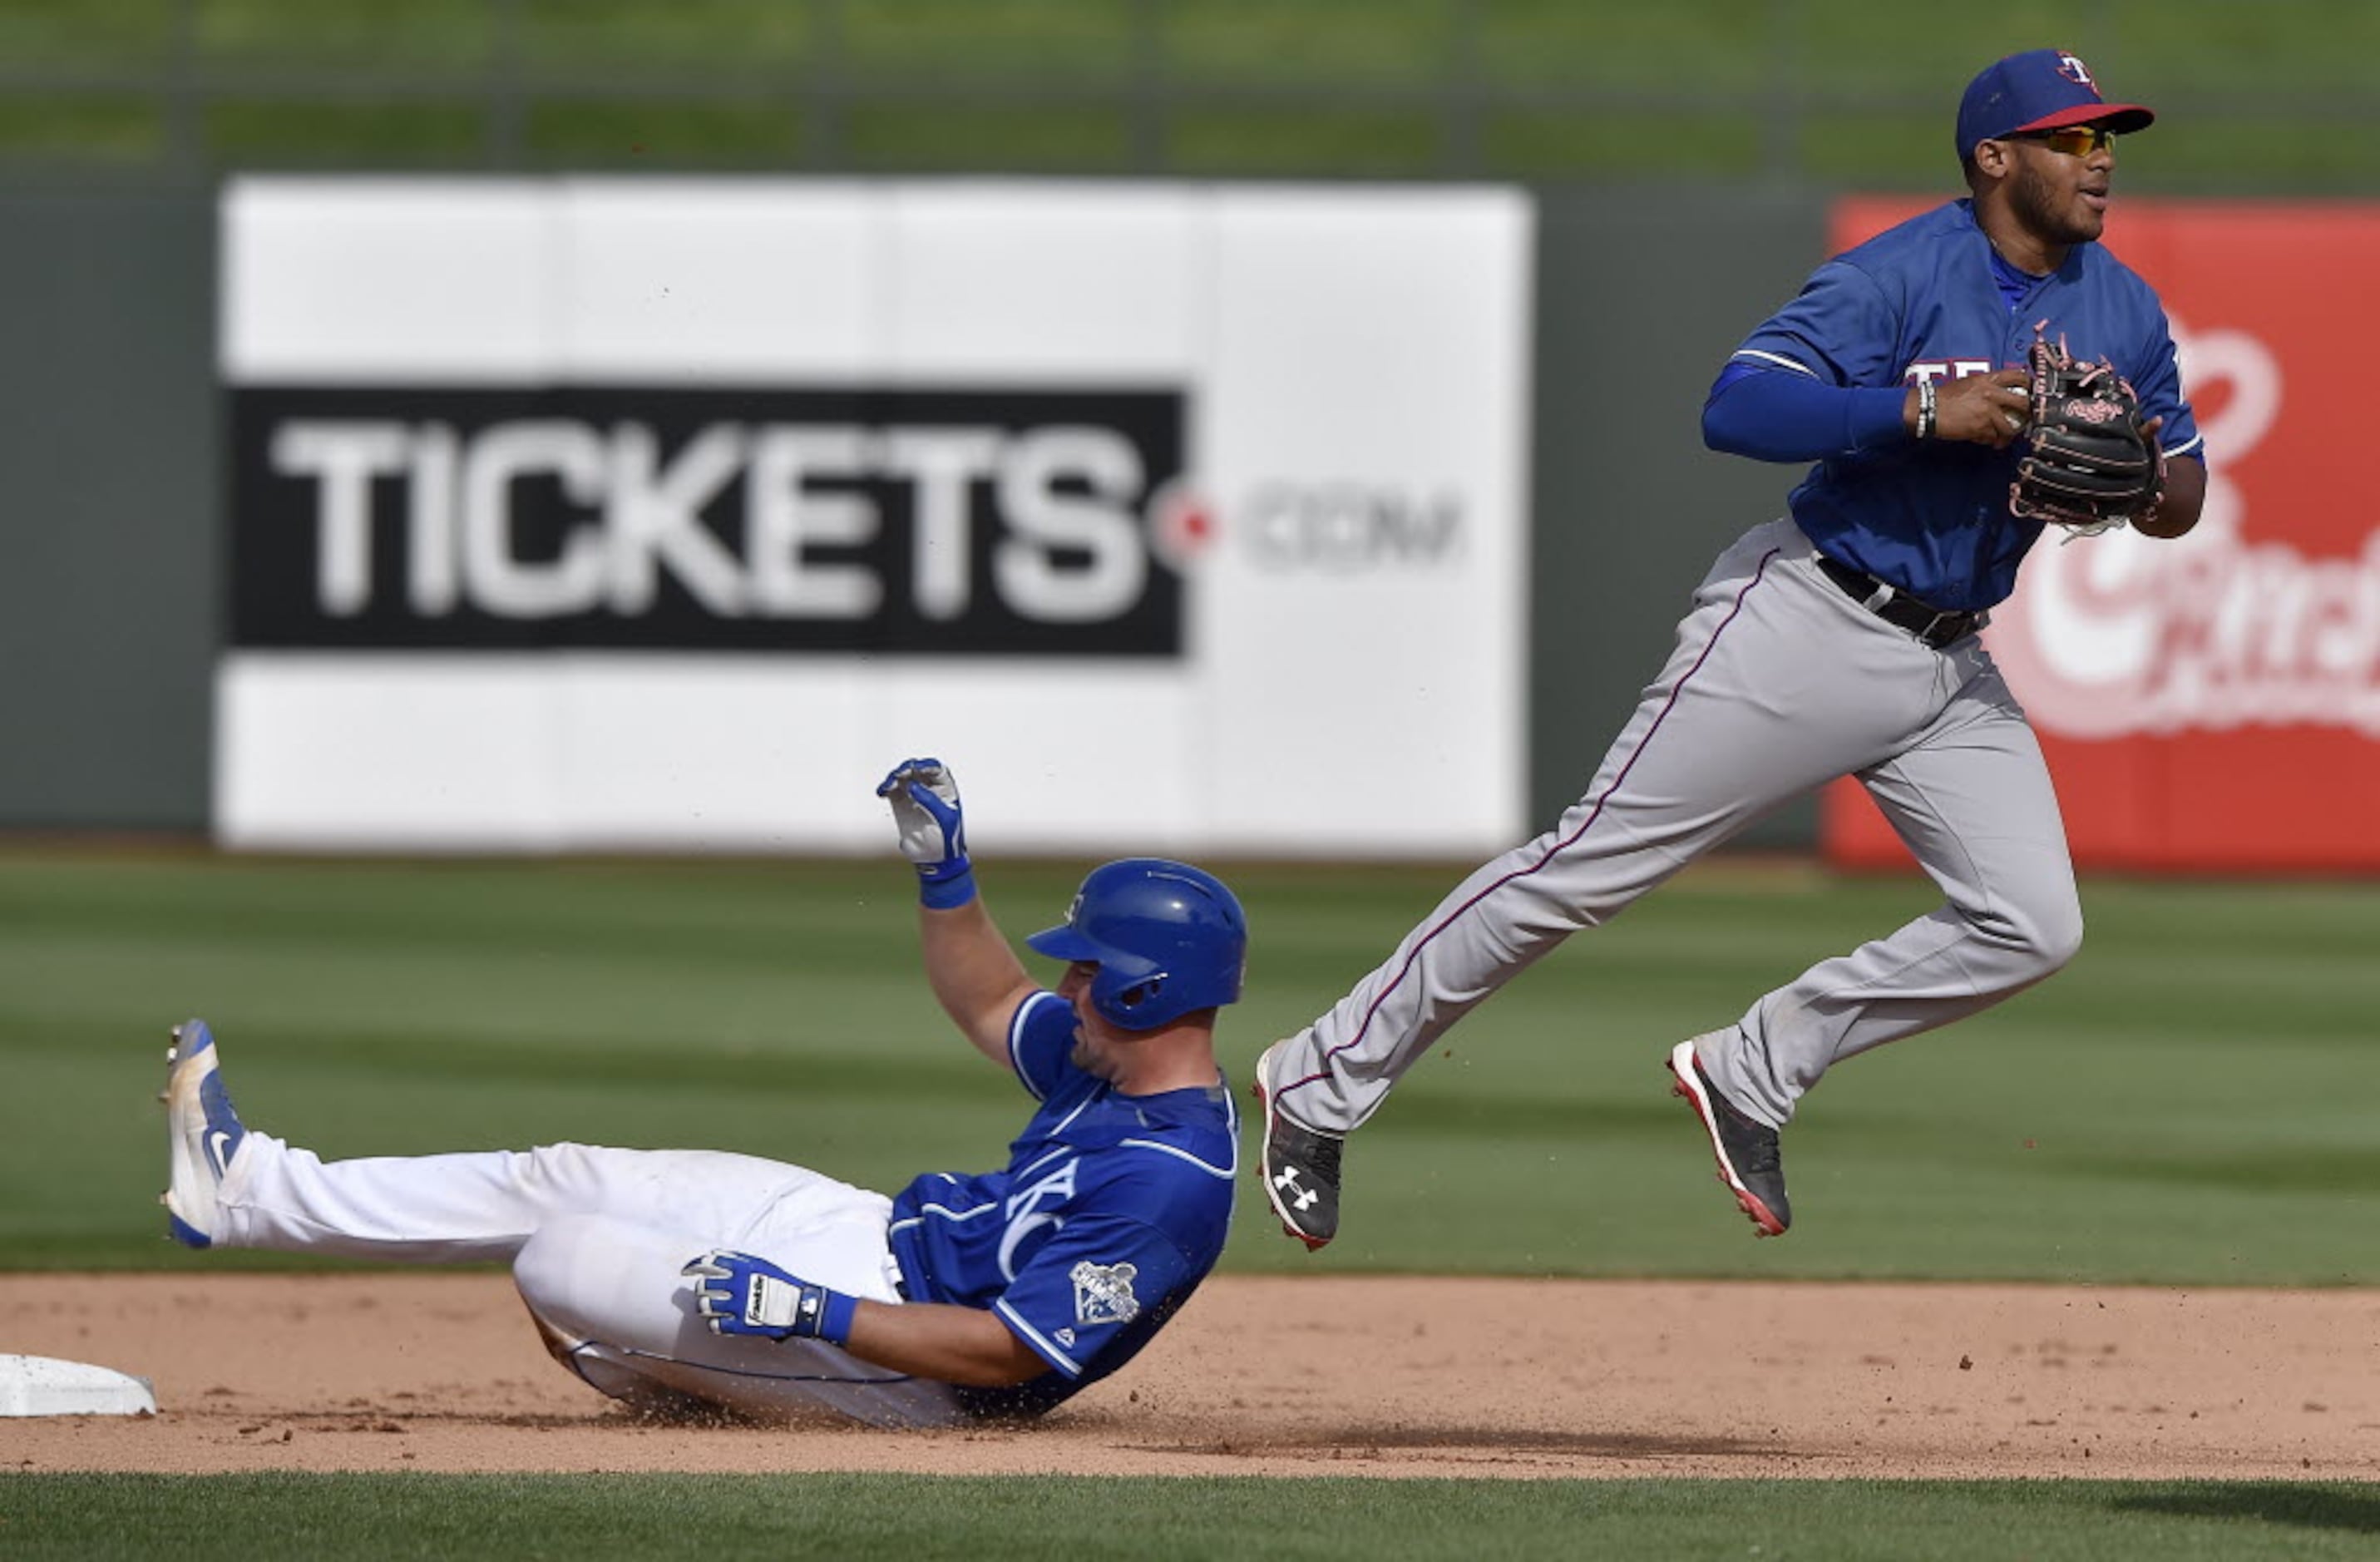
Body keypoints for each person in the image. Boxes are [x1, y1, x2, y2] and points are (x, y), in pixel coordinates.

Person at [1253, 48, 2206, 1248]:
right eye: (2071, 139)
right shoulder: (1896, 275)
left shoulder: (2118, 302)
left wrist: (2139, 484)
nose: (2100, 158)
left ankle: (1755, 1064)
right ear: (1993, 157)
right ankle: (1317, 1076)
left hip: (1951, 663)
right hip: (1808, 616)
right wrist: (1917, 407)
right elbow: (1737, 403)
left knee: (2031, 922)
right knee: (1582, 868)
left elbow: (2183, 484)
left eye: (2106, 136)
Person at [158, 757, 1246, 1427]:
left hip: (917, 1370)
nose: (1065, 983)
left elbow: (1006, 1352)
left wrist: (809, 1311)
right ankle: (247, 1189)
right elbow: (988, 994)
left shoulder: (1170, 1186)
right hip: (867, 1230)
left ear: (1149, 991)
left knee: (559, 1258)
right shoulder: (1109, 1057)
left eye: (1088, 968)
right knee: (562, 1177)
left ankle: (737, 1395)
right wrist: (944, 874)